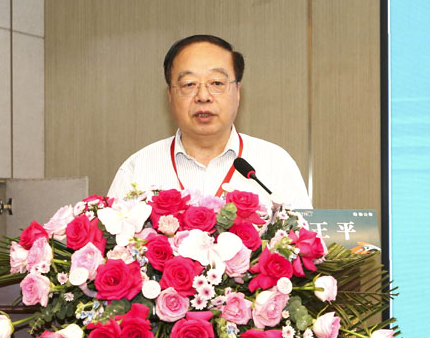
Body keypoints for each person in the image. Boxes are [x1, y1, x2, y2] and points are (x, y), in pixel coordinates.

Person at [107, 34, 311, 209]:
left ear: (237, 92)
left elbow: (304, 238)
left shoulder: (276, 164)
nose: (203, 96)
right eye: (189, 84)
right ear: (170, 94)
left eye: (217, 83)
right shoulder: (138, 169)